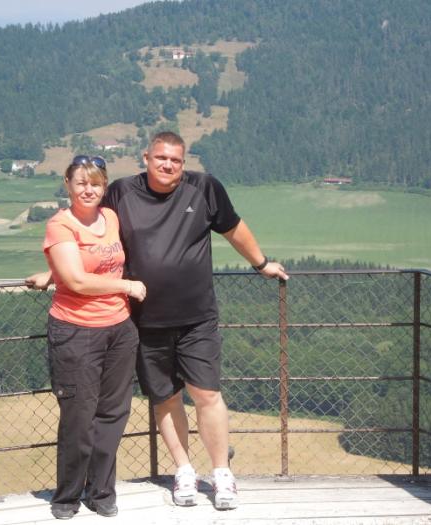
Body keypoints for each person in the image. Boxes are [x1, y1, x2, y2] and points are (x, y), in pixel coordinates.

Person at [101, 131, 288, 510]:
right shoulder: (121, 192)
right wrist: (59, 272)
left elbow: (234, 228)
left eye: (175, 160)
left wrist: (262, 264)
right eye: (161, 158)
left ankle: (222, 474)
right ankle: (184, 471)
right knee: (165, 398)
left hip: (197, 318)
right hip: (143, 320)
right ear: (146, 158)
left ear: (183, 163)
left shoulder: (204, 188)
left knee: (207, 394)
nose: (168, 165)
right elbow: (93, 236)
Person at [27, 155, 146, 520]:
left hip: (120, 329)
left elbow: (88, 264)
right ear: (67, 185)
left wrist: (51, 273)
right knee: (78, 417)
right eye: (81, 182)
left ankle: (102, 492)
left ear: (104, 186)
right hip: (76, 332)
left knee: (113, 413)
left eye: (95, 183)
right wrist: (126, 286)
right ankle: (67, 497)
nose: (88, 189)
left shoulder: (110, 218)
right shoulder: (60, 225)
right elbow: (77, 280)